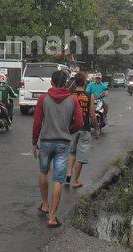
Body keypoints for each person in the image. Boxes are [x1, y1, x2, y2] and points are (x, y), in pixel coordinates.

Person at [32, 70, 83, 228]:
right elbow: (80, 123)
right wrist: (68, 130)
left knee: (43, 172)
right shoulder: (73, 99)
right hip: (63, 144)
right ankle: (53, 218)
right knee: (58, 180)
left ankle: (45, 204)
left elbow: (37, 123)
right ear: (66, 82)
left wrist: (35, 142)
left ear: (52, 82)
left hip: (46, 142)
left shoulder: (43, 98)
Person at [66, 72, 99, 189]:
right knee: (81, 156)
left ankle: (68, 174)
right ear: (85, 82)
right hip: (85, 129)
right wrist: (96, 128)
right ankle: (75, 181)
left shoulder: (70, 95)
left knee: (71, 152)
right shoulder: (89, 96)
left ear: (75, 82)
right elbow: (92, 114)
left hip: (72, 128)